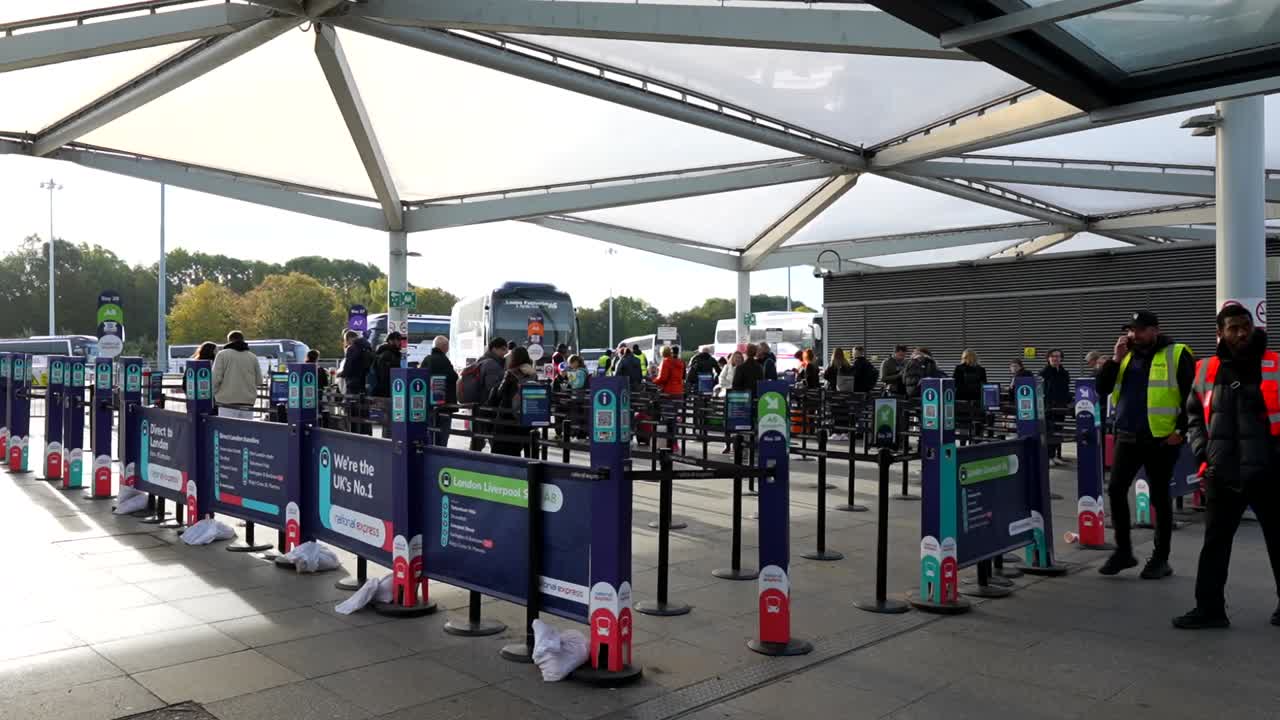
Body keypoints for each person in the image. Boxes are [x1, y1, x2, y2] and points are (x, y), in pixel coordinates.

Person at [1171, 305, 1280, 629]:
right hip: (1223, 474)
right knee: (1215, 545)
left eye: (1246, 326)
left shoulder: (1274, 364)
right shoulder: (1206, 369)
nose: (1242, 333)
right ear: (1219, 333)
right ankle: (1209, 610)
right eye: (1233, 328)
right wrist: (1202, 454)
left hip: (1269, 473)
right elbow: (1193, 416)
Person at [1095, 310, 1195, 579]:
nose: (1133, 335)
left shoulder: (1177, 353)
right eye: (1130, 330)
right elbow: (1102, 389)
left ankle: (1161, 559)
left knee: (1160, 497)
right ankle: (1124, 552)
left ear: (1155, 330)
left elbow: (1192, 395)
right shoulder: (1125, 356)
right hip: (1128, 436)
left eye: (1139, 330)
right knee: (1116, 489)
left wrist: (1181, 430)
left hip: (1162, 439)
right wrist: (1115, 359)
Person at [489, 346, 536, 457]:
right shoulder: (533, 374)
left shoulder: (511, 373)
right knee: (523, 444)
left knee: (503, 448)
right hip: (526, 413)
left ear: (514, 358)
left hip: (508, 414)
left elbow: (500, 393)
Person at [465, 337, 509, 451]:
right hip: (488, 407)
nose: (505, 352)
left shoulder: (482, 360)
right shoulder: (492, 364)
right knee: (493, 440)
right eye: (503, 349)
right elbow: (493, 387)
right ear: (494, 349)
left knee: (478, 439)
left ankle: (472, 458)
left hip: (479, 405)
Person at [212, 330, 261, 419]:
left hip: (226, 402)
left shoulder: (222, 355)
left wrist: (213, 394)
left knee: (227, 428)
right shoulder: (253, 357)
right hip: (248, 402)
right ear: (243, 340)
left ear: (229, 340)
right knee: (245, 428)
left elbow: (215, 379)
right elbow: (259, 381)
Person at [424, 336, 458, 446]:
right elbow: (453, 377)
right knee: (442, 434)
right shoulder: (444, 360)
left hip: (429, 404)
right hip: (444, 404)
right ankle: (441, 452)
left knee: (431, 432)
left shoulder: (427, 359)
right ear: (444, 347)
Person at [1041, 349, 1072, 463]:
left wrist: (1068, 402)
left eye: (1058, 356)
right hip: (1049, 407)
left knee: (1059, 430)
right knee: (1050, 432)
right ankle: (1048, 456)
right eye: (1053, 356)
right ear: (1048, 358)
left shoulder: (1064, 372)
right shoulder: (1044, 372)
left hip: (1061, 406)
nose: (1055, 358)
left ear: (1061, 358)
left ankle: (1055, 456)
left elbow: (1065, 389)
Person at [954, 350, 988, 439]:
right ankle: (977, 440)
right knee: (977, 421)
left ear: (964, 357)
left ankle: (963, 441)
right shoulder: (981, 369)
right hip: (977, 399)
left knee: (963, 422)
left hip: (962, 399)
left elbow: (955, 384)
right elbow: (984, 385)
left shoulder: (959, 368)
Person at [338, 330, 374, 395]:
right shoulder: (367, 346)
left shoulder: (352, 348)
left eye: (346, 340)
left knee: (351, 398)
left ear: (349, 338)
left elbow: (348, 364)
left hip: (352, 378)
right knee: (361, 397)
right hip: (363, 377)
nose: (347, 342)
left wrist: (342, 374)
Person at [369, 331, 404, 398]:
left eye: (400, 340)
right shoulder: (387, 354)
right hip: (385, 389)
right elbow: (383, 374)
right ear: (390, 341)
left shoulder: (393, 353)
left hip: (388, 386)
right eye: (398, 340)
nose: (400, 342)